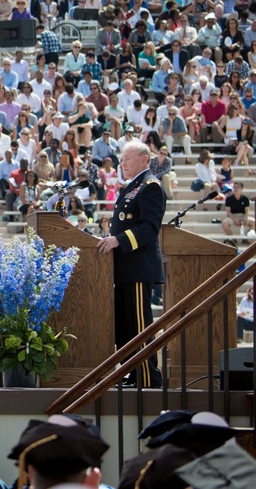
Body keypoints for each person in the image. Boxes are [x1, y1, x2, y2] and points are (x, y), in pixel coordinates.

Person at [97, 140, 165, 388]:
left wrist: (118, 240)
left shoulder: (150, 187)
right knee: (125, 326)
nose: (122, 164)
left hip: (138, 268)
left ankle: (147, 377)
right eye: (121, 159)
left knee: (138, 324)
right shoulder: (132, 187)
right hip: (124, 269)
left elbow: (149, 228)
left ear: (144, 160)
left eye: (127, 159)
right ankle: (132, 372)